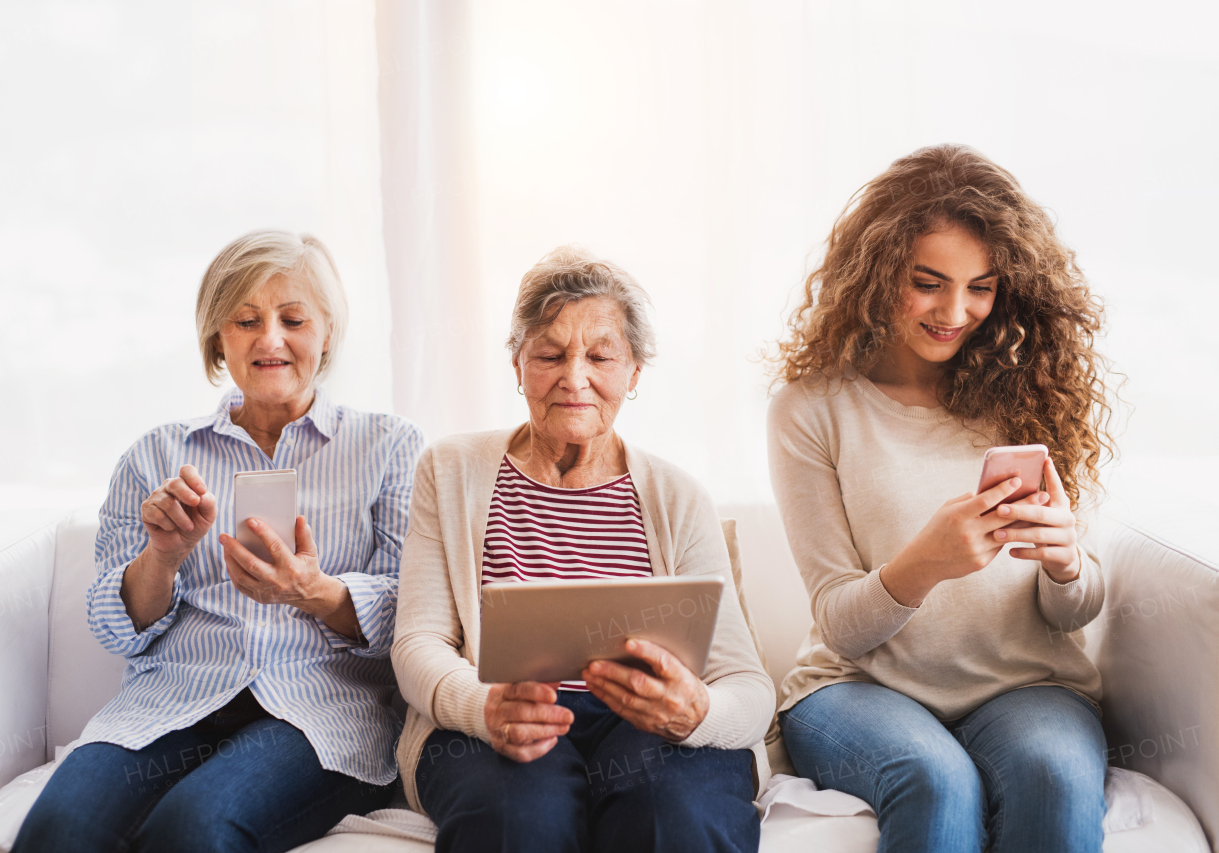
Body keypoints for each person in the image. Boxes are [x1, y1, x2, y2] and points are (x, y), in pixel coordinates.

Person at [13, 230, 423, 853]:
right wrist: (162, 558)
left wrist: (316, 593)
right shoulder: (156, 454)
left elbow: (413, 616)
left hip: (317, 713)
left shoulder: (389, 447)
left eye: (293, 319)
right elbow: (114, 626)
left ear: (328, 332)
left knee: (193, 829)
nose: (270, 339)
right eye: (246, 320)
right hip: (173, 697)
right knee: (55, 830)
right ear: (218, 336)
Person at [768, 144, 1115, 852]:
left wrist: (1065, 565)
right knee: (936, 779)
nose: (955, 311)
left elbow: (1077, 607)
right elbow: (840, 623)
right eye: (928, 282)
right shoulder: (811, 409)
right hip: (858, 690)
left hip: (1028, 687)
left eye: (981, 287)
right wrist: (923, 564)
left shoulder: (1030, 391)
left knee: (1053, 774)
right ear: (875, 271)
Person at [391, 246, 774, 853]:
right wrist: (482, 706)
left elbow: (749, 688)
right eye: (550, 354)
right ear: (518, 365)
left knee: (674, 816)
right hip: (500, 718)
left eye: (600, 357)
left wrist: (697, 711)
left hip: (649, 731)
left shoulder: (679, 496)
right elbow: (417, 643)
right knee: (518, 819)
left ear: (633, 374)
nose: (574, 377)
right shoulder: (450, 469)